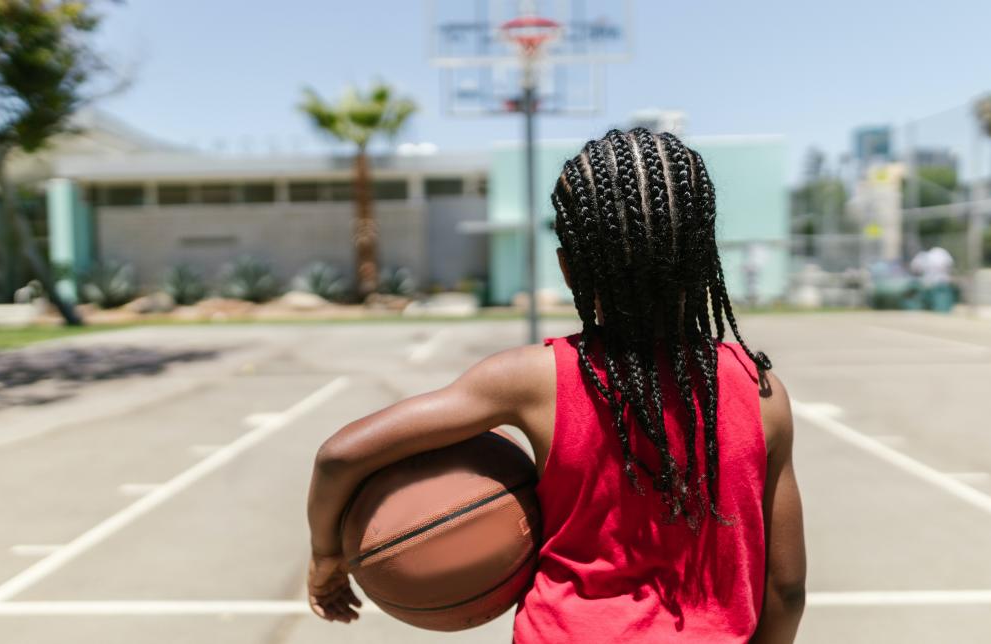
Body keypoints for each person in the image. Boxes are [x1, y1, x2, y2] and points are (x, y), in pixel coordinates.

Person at [306, 129, 806, 643]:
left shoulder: (532, 379)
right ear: (704, 259)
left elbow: (340, 455)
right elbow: (786, 589)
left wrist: (327, 558)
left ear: (569, 269)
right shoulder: (759, 391)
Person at [910, 246, 955, 312]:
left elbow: (915, 269)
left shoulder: (925, 256)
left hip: (932, 282)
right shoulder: (926, 255)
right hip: (937, 281)